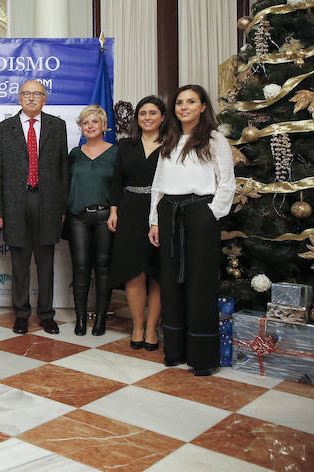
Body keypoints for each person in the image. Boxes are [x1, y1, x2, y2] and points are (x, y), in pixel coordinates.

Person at [149, 85, 234, 376]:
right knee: (172, 283)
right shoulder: (169, 140)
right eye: (179, 102)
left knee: (200, 283)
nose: (184, 107)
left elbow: (227, 182)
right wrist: (154, 220)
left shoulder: (214, 139)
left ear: (202, 106)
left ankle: (201, 356)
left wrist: (212, 214)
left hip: (200, 212)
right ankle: (175, 351)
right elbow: (158, 185)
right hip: (169, 212)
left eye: (191, 102)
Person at [0, 80, 69, 335]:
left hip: (47, 203)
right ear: (19, 98)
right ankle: (21, 314)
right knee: (20, 263)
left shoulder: (58, 127)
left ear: (45, 99)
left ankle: (46, 315)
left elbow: (63, 171)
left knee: (46, 262)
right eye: (26, 93)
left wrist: (62, 207)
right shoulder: (4, 129)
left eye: (37, 94)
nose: (31, 98)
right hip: (15, 204)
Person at [108, 96, 165, 350]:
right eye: (143, 113)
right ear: (137, 118)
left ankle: (153, 328)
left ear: (163, 117)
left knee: (157, 273)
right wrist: (114, 211)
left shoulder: (172, 145)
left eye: (153, 113)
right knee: (134, 272)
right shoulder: (125, 145)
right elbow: (116, 181)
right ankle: (138, 326)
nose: (147, 117)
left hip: (162, 211)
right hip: (130, 210)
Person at [66, 105, 117, 336]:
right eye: (86, 123)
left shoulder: (116, 153)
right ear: (81, 127)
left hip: (106, 217)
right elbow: (67, 186)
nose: (90, 126)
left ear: (104, 125)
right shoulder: (75, 154)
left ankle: (100, 320)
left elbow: (119, 187)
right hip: (78, 217)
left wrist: (115, 212)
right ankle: (80, 319)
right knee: (80, 268)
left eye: (95, 122)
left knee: (103, 269)